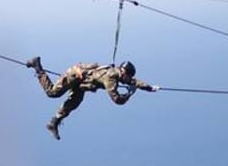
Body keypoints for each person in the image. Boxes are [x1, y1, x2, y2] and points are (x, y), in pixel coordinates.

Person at [26, 57, 160, 140]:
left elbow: (133, 81)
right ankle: (37, 66)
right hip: (75, 75)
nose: (128, 80)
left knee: (74, 103)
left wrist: (149, 88)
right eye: (128, 77)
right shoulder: (111, 78)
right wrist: (129, 94)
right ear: (123, 73)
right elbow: (117, 100)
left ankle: (53, 123)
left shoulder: (119, 74)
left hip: (82, 82)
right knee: (52, 93)